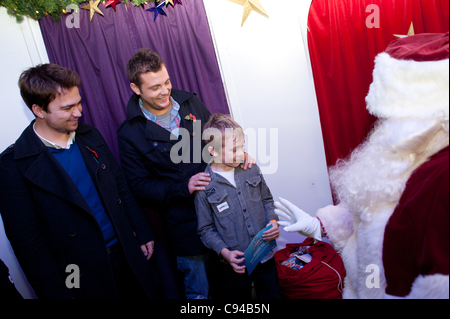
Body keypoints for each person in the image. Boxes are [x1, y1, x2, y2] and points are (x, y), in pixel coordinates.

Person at [275, 32, 449, 299]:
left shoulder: (441, 174)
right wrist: (319, 226)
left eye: (395, 113)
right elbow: (375, 209)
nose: (386, 124)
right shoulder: (404, 154)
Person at [0, 63, 159, 299]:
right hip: (79, 272)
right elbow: (28, 244)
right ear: (39, 110)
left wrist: (142, 231)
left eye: (79, 102)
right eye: (67, 108)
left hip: (125, 250)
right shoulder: (13, 164)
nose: (79, 112)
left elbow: (120, 187)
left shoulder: (89, 135)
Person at [117, 49, 255, 299]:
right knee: (198, 290)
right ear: (136, 88)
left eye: (167, 82)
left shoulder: (191, 102)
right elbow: (138, 185)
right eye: (154, 87)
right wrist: (183, 187)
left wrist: (237, 154)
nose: (164, 91)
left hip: (221, 209)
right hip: (183, 222)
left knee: (237, 279)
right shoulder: (129, 132)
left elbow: (217, 141)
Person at [195, 114, 281, 299]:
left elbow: (267, 200)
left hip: (264, 255)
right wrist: (225, 253)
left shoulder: (251, 168)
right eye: (234, 149)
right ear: (213, 151)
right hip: (234, 264)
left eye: (243, 147)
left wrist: (273, 221)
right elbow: (205, 229)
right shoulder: (204, 186)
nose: (241, 153)